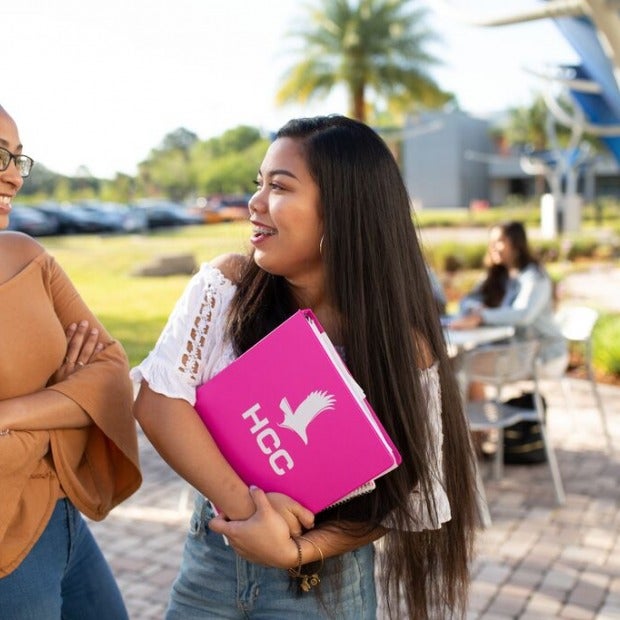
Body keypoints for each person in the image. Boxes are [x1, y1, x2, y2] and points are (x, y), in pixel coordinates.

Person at [132, 115, 478, 619]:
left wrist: (292, 550)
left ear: (342, 210)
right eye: (259, 183)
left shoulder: (400, 345)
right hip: (210, 569)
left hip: (322, 590)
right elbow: (159, 402)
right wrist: (253, 514)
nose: (254, 203)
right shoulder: (226, 288)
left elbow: (401, 500)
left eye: (279, 186)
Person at [0, 104, 142, 619]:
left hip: (66, 522)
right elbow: (88, 389)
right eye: (0, 156)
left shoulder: (26, 255)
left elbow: (109, 375)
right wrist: (64, 396)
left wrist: (11, 414)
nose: (14, 176)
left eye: (18, 159)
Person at [450, 220, 568, 379]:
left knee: (457, 366)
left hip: (543, 356)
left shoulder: (534, 277)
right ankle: (478, 404)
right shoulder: (499, 275)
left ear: (517, 244)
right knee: (454, 363)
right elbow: (466, 301)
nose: (492, 246)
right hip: (512, 352)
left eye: (499, 241)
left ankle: (470, 404)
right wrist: (476, 307)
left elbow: (522, 315)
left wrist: (481, 317)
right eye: (491, 241)